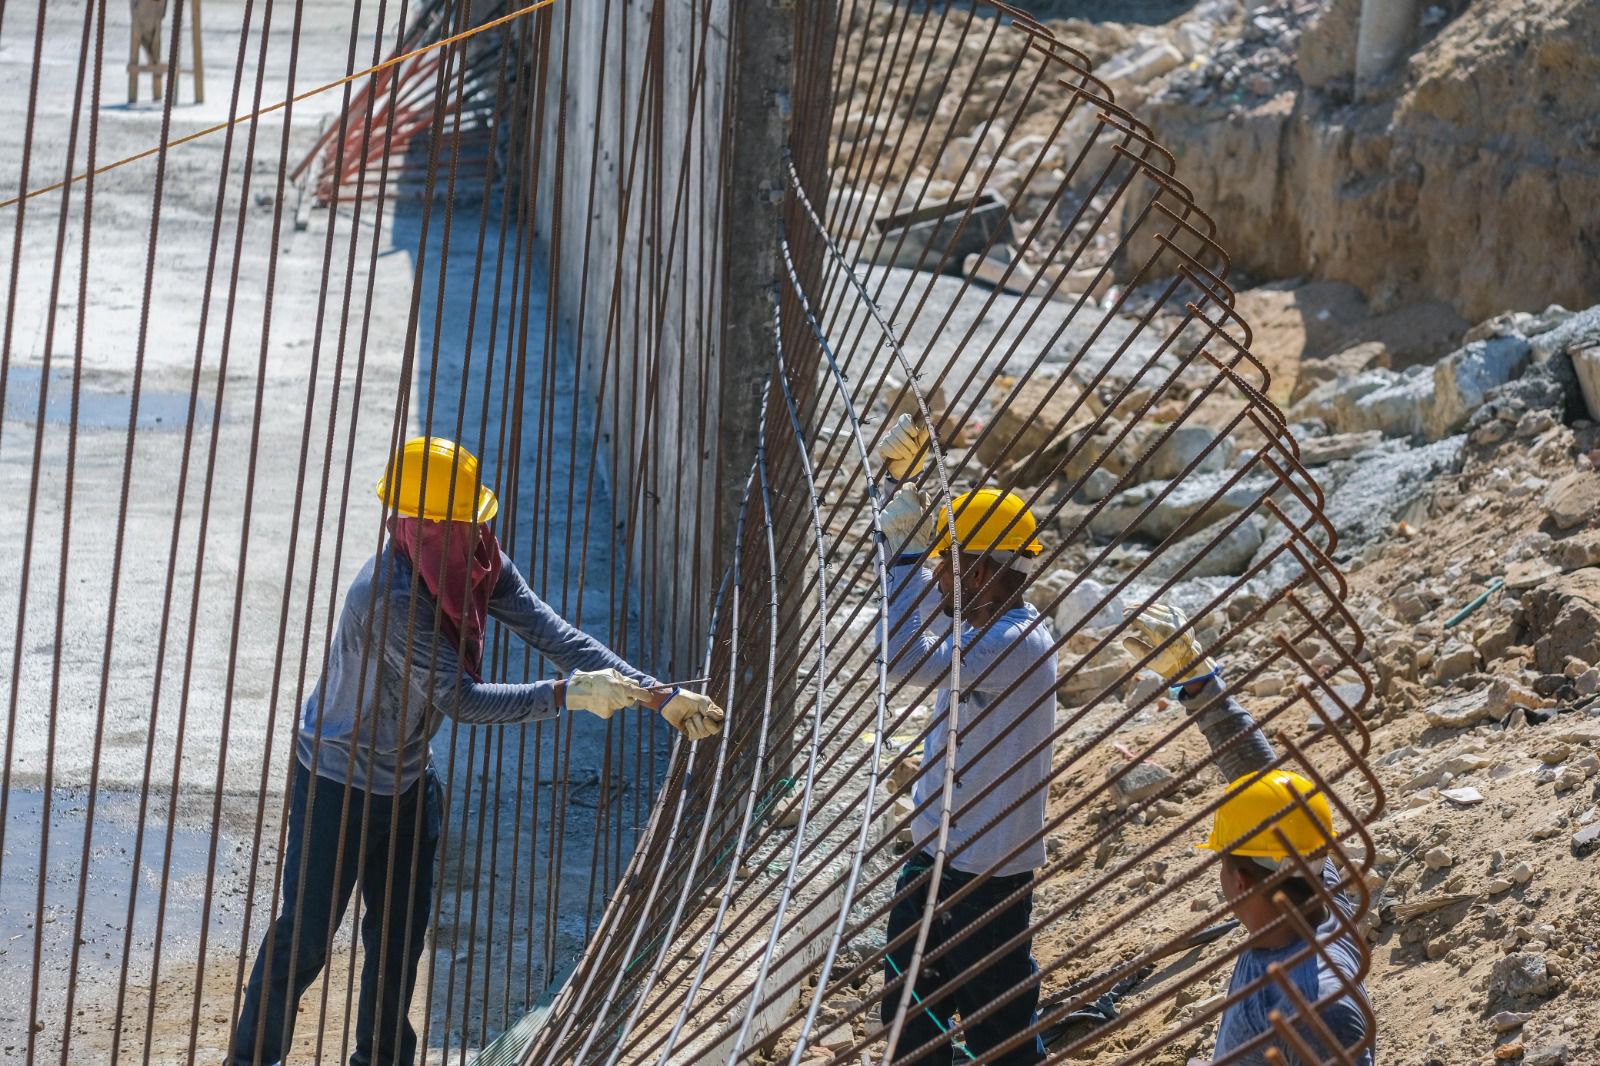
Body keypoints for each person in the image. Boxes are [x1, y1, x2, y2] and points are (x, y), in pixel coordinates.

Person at [230, 436, 723, 1066]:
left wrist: (659, 696)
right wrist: (565, 696)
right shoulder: (390, 597)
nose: (476, 536)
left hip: (407, 780)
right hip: (339, 784)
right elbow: (460, 699)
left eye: (476, 523)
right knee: (305, 940)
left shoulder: (475, 563)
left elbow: (556, 634)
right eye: (460, 525)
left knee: (399, 940)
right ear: (420, 526)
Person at [871, 415, 1056, 1065]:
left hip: (985, 878)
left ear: (978, 573)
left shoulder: (1012, 646)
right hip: (939, 857)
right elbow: (917, 631)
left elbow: (900, 657)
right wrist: (900, 502)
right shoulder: (986, 629)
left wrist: (902, 551)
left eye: (947, 568)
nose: (937, 580)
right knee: (908, 1019)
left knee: (995, 1032)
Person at [1122, 603, 1373, 1066]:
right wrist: (1196, 681)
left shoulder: (1319, 1012)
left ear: (1239, 882)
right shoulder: (1320, 898)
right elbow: (1264, 782)